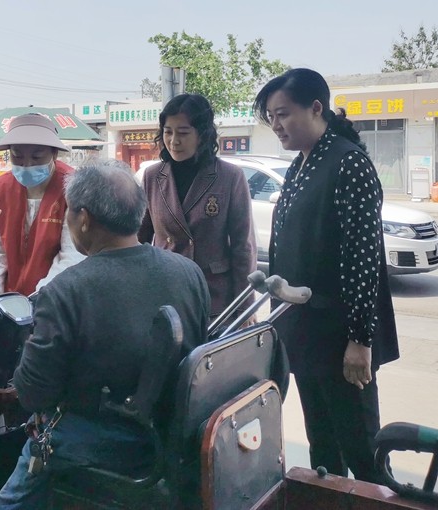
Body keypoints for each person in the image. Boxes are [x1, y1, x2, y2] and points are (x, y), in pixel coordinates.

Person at [0, 159, 210, 509]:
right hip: (173, 433)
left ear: (84, 219)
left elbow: (33, 393)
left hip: (100, 439)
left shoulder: (64, 291)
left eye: (69, 212)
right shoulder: (189, 272)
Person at [253, 68, 400, 483]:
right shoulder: (301, 164)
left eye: (283, 113)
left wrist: (360, 339)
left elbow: (362, 257)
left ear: (316, 108)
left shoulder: (348, 163)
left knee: (361, 447)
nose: (276, 124)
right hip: (305, 330)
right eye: (271, 117)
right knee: (322, 445)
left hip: (340, 334)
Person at [138, 93, 257, 320]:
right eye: (168, 132)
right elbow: (139, 238)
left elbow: (243, 247)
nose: (174, 141)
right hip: (165, 292)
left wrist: (245, 307)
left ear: (202, 134)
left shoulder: (230, 176)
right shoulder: (152, 176)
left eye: (183, 133)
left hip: (214, 296)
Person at [0, 113, 84, 297]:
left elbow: (72, 255)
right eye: (17, 156)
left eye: (37, 157)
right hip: (10, 299)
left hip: (56, 298)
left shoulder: (72, 187)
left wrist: (38, 299)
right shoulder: (3, 187)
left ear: (54, 154)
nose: (27, 164)